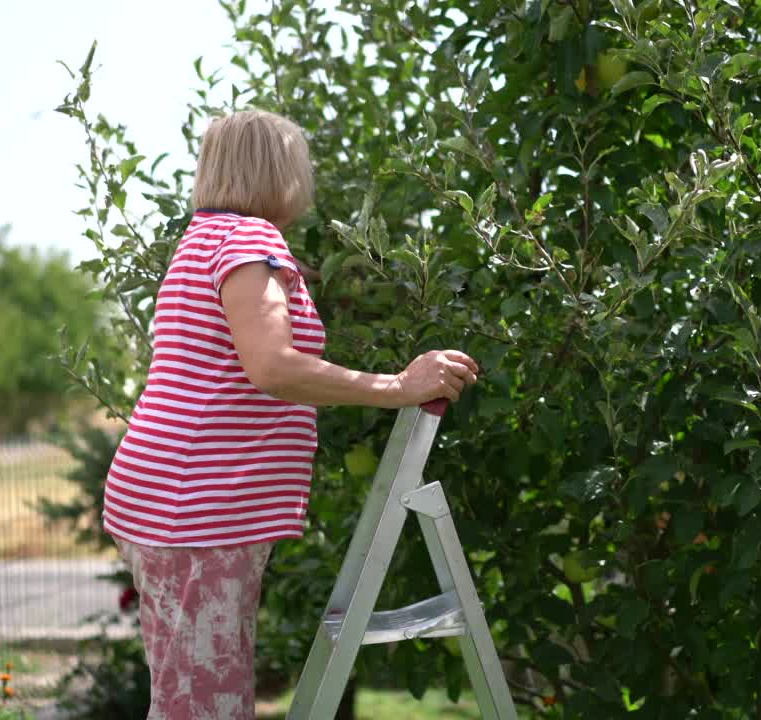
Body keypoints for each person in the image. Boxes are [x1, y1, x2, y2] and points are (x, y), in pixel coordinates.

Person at [101, 109, 480, 720]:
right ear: (277, 171)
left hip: (172, 501)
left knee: (187, 699)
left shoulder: (204, 239)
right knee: (206, 708)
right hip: (198, 509)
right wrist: (399, 386)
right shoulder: (249, 241)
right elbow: (272, 367)